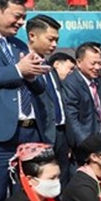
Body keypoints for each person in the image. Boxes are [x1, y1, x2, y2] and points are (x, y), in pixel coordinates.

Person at [0, 0, 49, 201]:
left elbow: (39, 87)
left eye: (23, 17)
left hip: (30, 133)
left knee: (28, 195)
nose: (21, 22)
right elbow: (16, 72)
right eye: (17, 16)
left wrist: (33, 75)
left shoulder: (19, 45)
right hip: (0, 136)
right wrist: (18, 70)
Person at [63, 42, 101, 152]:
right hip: (85, 144)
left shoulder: (98, 81)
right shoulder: (71, 83)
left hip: (100, 139)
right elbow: (71, 118)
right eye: (93, 63)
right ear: (79, 62)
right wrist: (86, 144)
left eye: (100, 63)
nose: (97, 67)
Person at [24, 15, 61, 147]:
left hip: (58, 134)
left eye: (57, 40)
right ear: (32, 36)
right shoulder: (22, 64)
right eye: (50, 39)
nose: (54, 44)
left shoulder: (49, 67)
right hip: (36, 135)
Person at [46, 51, 74, 187]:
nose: (71, 73)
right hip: (48, 132)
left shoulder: (60, 82)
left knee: (63, 172)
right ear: (57, 64)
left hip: (62, 132)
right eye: (70, 68)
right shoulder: (43, 75)